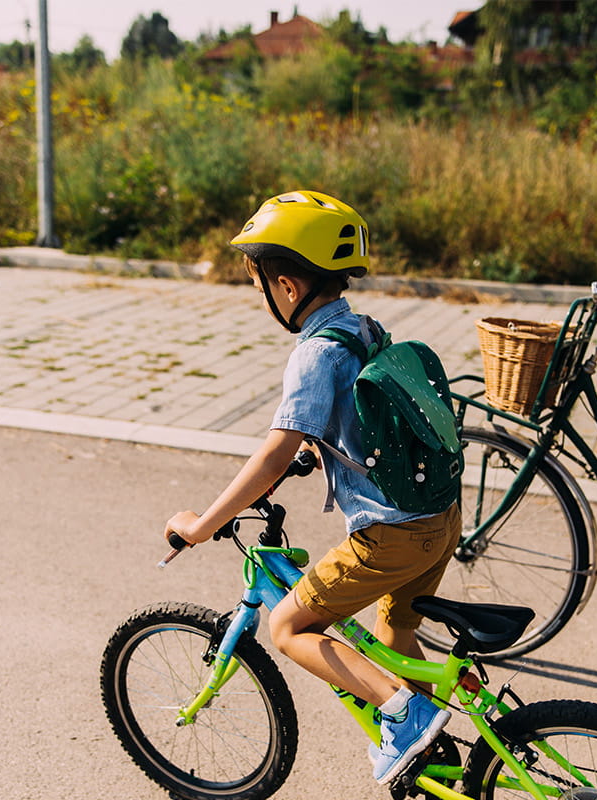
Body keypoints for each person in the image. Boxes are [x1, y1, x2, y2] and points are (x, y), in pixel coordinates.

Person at [162, 190, 462, 785]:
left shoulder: (314, 354)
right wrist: (317, 444)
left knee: (289, 628)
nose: (261, 295)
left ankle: (407, 716)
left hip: (390, 535)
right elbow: (368, 406)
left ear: (289, 287)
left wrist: (202, 524)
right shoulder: (363, 327)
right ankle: (436, 751)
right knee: (395, 633)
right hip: (439, 520)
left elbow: (273, 451)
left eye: (260, 283)